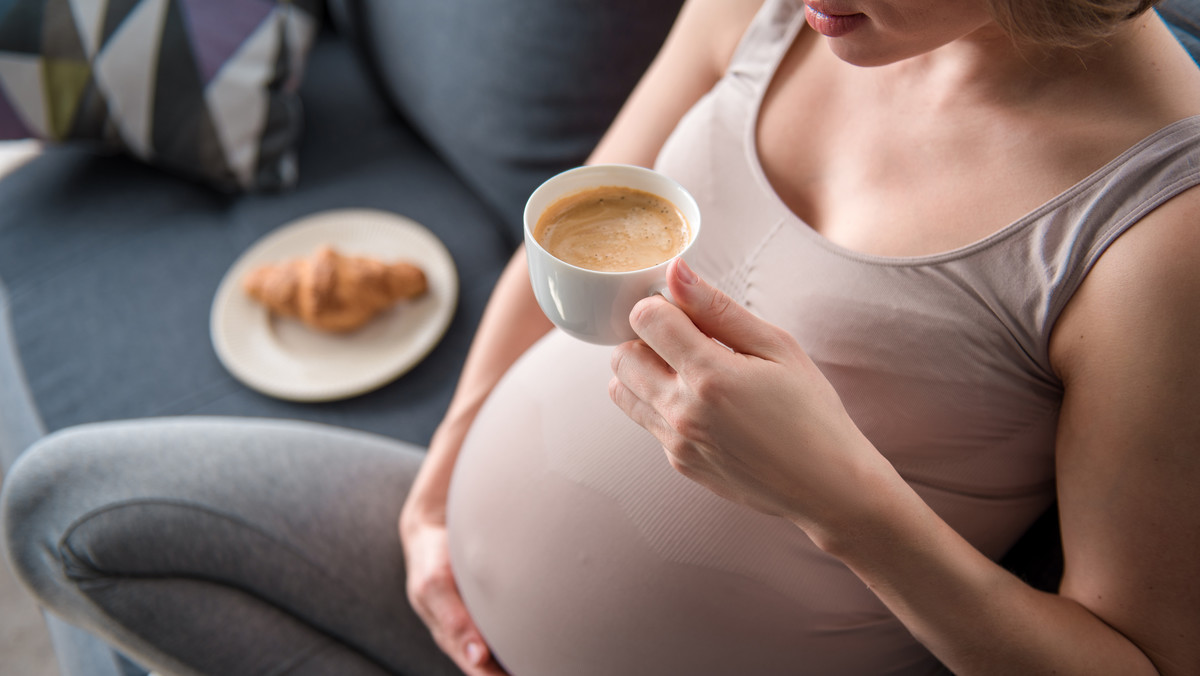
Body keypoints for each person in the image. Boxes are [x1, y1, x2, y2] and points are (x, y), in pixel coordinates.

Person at [4, 0, 1199, 674]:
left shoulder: (1159, 227)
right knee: (68, 506)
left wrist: (844, 502)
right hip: (455, 595)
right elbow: (572, 222)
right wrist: (441, 477)